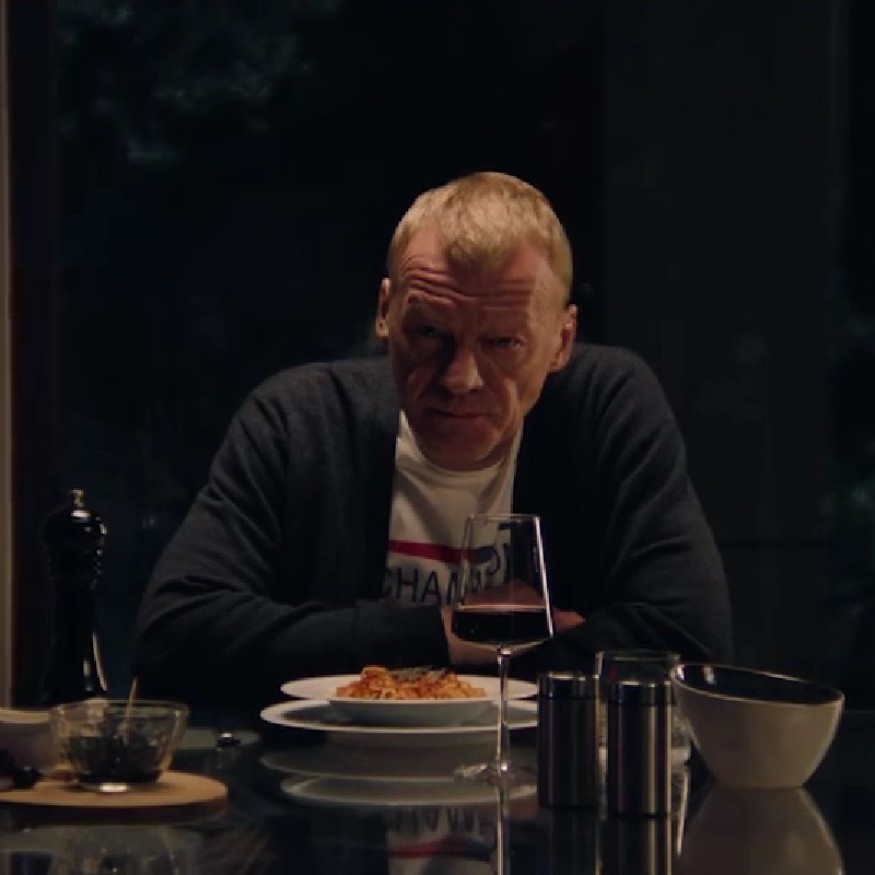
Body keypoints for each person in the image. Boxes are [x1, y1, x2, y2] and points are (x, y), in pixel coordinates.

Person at [133, 171, 732, 709]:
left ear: (562, 341)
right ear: (385, 313)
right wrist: (453, 631)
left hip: (543, 786)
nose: (459, 378)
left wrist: (350, 654)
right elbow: (175, 638)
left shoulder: (606, 406)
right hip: (329, 786)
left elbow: (687, 645)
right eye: (428, 333)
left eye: (503, 343)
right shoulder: (301, 419)